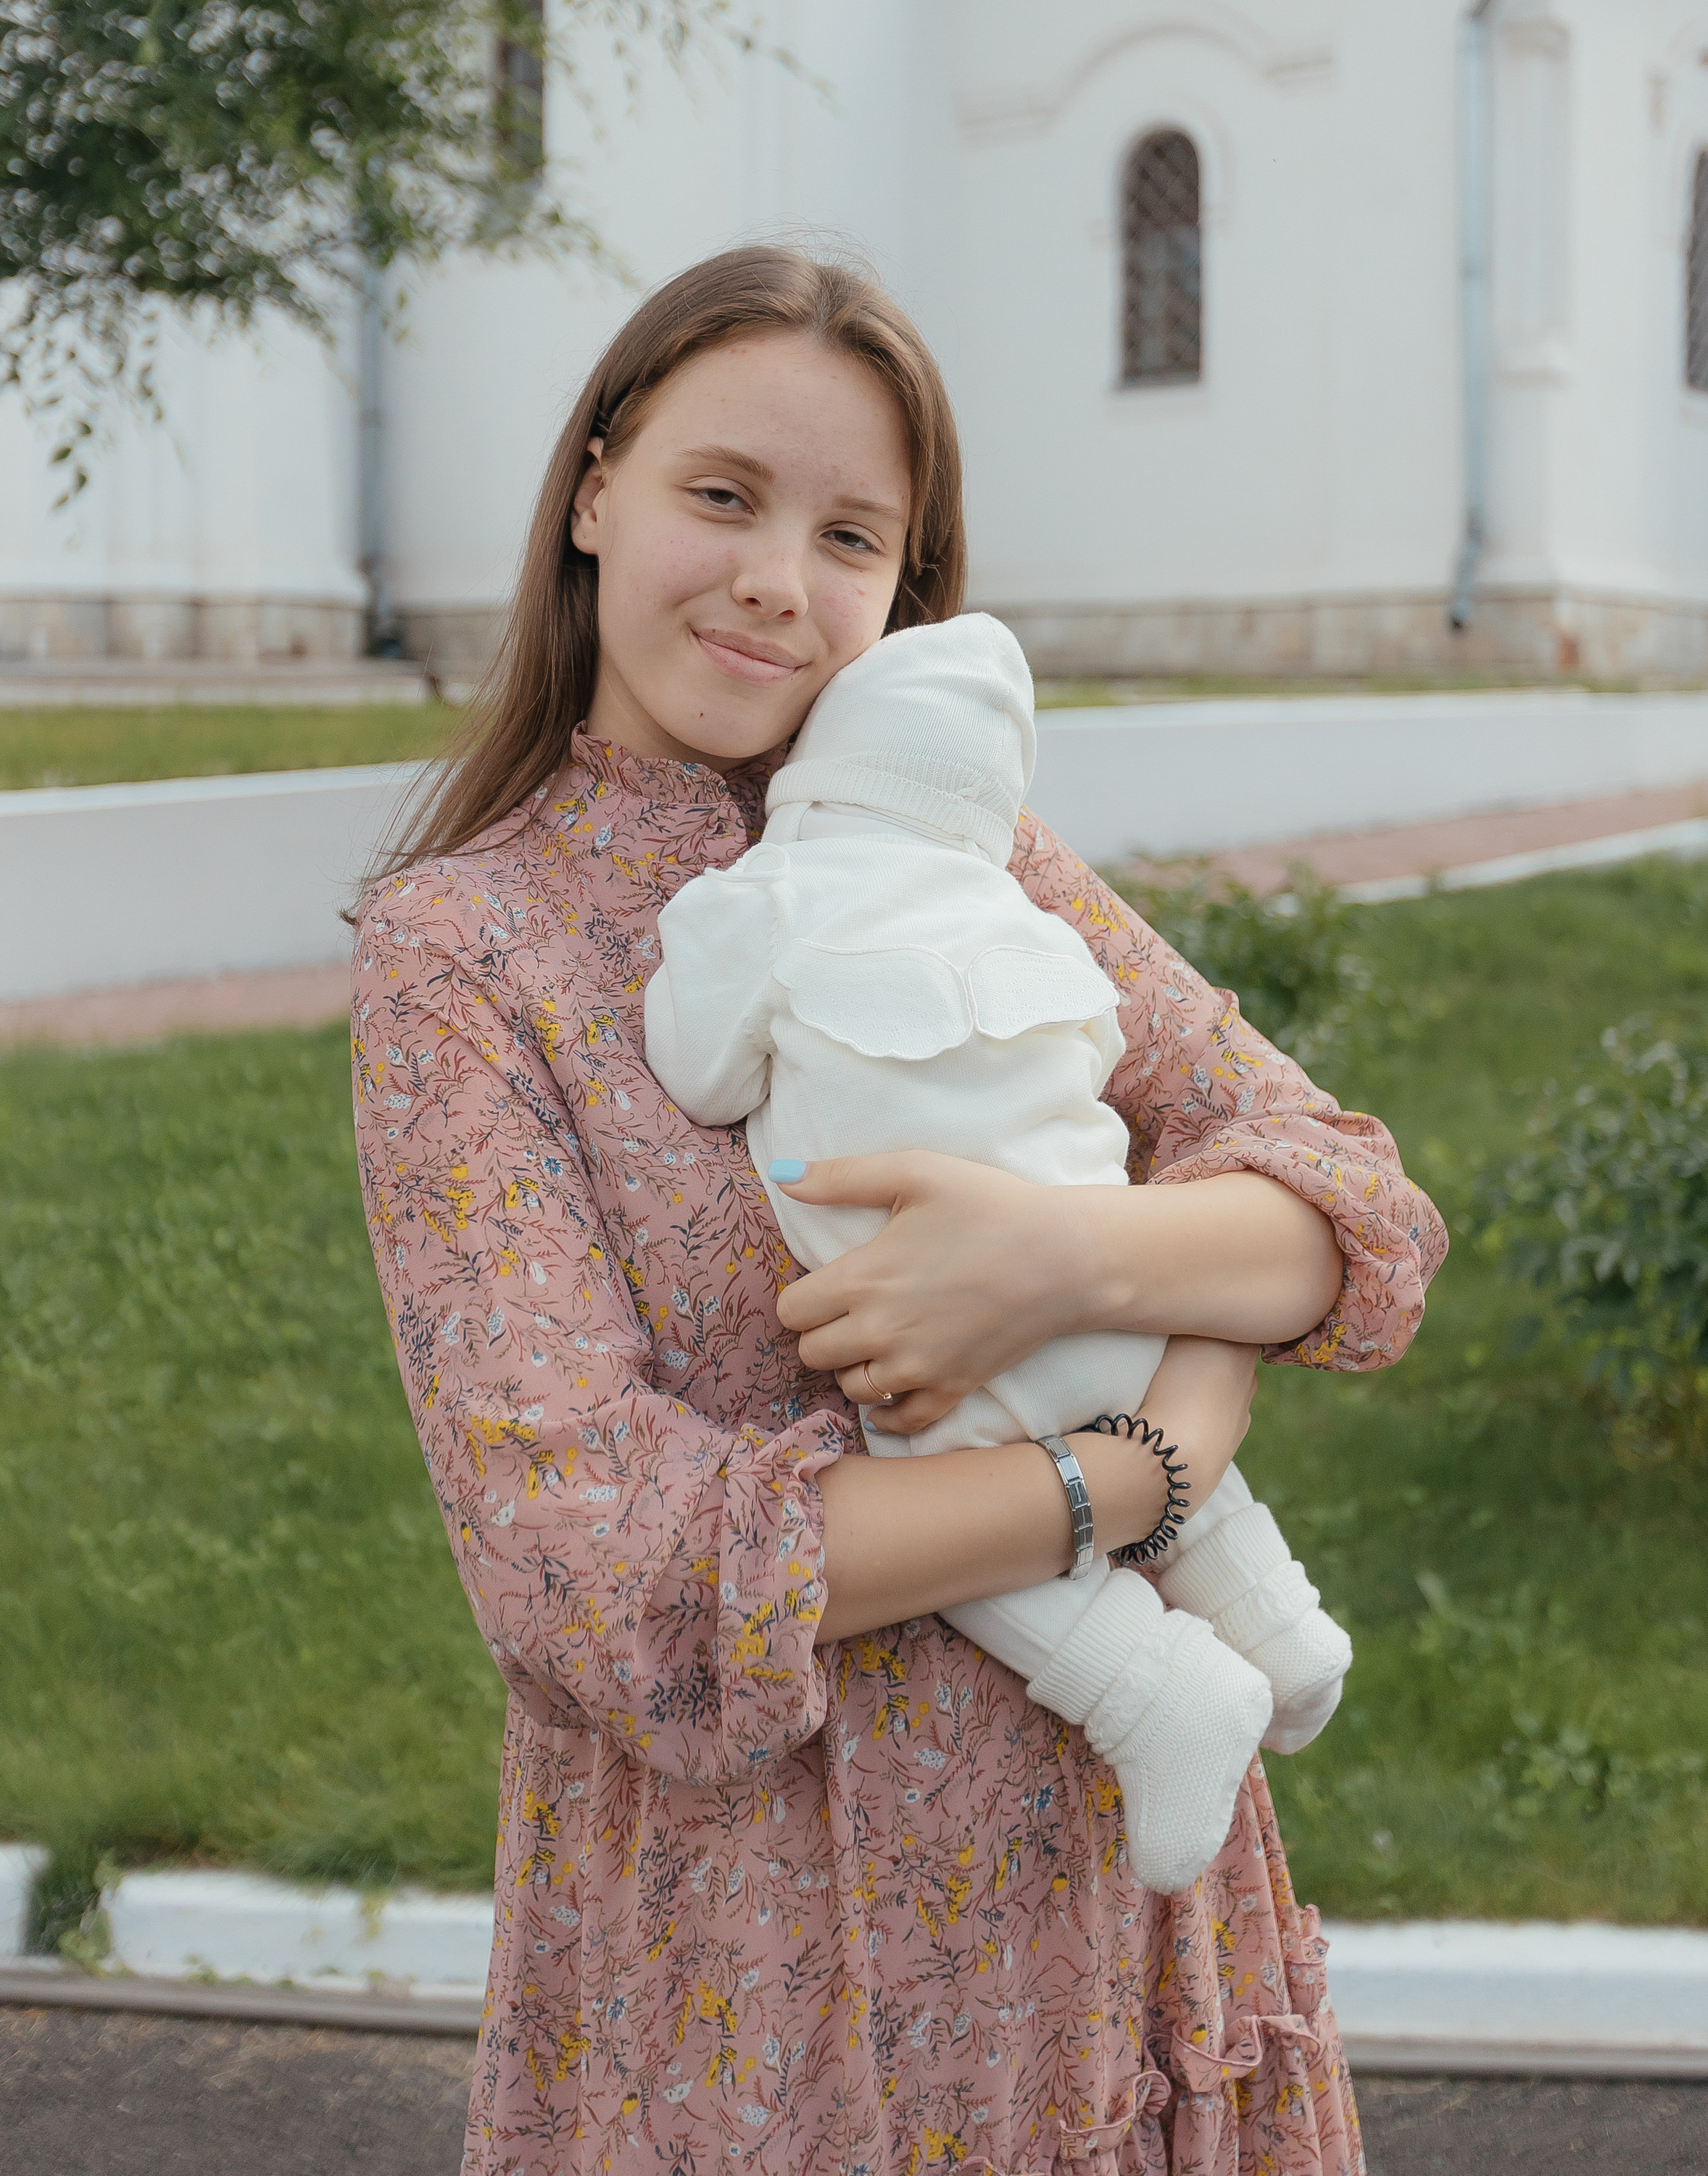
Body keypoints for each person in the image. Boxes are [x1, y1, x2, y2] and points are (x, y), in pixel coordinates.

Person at [351, 244, 1448, 2176]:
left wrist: (1066, 1266)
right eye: (723, 495)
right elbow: (592, 1561)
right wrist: (1132, 1482)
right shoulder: (472, 955)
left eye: (854, 535)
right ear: (596, 488)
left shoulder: (969, 843)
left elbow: (1338, 1199)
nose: (783, 575)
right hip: (761, 1972)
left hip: (1118, 1908)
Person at [640, 607, 1352, 1897]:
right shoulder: (1029, 914)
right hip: (1130, 1313)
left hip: (949, 1360)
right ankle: (1283, 1628)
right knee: (1117, 1393)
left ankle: (1157, 1692)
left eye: (853, 538)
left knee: (925, 1454)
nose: (782, 585)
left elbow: (695, 1066)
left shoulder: (774, 894)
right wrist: (1170, 1434)